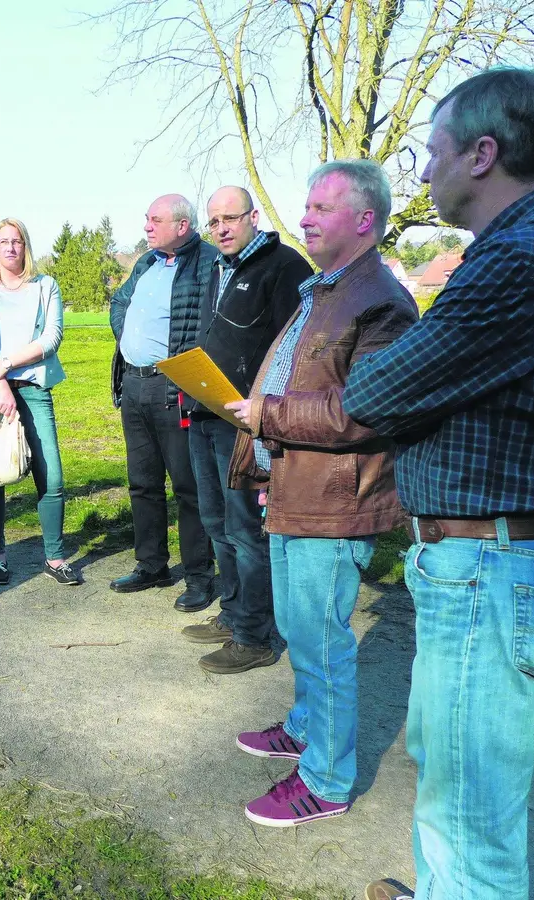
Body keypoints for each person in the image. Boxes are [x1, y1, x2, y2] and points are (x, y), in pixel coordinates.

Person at [342, 68, 534, 900]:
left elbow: (372, 396)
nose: (422, 172)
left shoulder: (518, 259)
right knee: (453, 775)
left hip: (493, 562)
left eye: (434, 151)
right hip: (503, 554)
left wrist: (418, 302)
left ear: (484, 154)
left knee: (470, 808)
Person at [222, 160, 417, 828]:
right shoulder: (324, 289)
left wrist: (267, 417)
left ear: (365, 218)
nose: (303, 217)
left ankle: (327, 780)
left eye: (320, 207)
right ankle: (306, 727)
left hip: (337, 501)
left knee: (324, 640)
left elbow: (366, 414)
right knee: (300, 629)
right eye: (305, 206)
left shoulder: (380, 300)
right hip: (295, 485)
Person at [178, 186, 314, 675]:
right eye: (213, 222)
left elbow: (294, 349)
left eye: (230, 219)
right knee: (216, 522)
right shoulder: (219, 266)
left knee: (245, 529)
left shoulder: (284, 266)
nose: (221, 229)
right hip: (206, 411)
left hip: (246, 422)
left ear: (253, 216)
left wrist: (265, 410)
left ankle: (254, 636)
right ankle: (233, 612)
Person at [107, 194, 217, 612]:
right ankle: (151, 565)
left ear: (183, 225)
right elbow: (120, 303)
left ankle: (199, 578)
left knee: (189, 488)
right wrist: (130, 341)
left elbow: (212, 322)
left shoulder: (207, 262)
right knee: (143, 482)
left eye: (155, 220)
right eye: (146, 220)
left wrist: (181, 363)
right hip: (133, 385)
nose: (147, 227)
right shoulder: (147, 262)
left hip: (175, 388)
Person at [0, 218, 82, 587]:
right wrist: (0, 384)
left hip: (33, 386)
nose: (11, 247)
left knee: (53, 475)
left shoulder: (46, 286)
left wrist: (8, 365)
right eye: (4, 241)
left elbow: (52, 337)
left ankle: (55, 557)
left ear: (26, 247)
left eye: (17, 241)